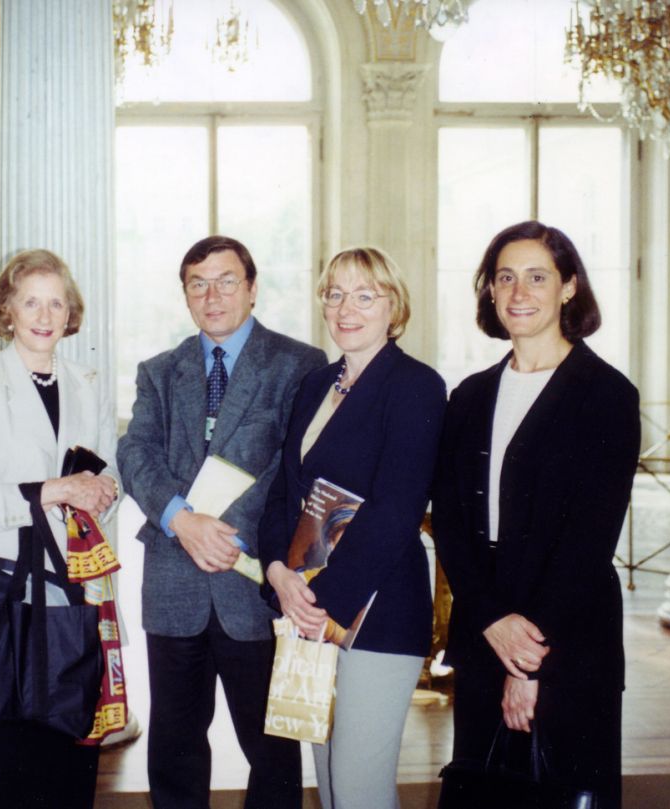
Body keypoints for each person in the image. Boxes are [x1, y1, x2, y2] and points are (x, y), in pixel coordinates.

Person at [432, 221, 639, 809]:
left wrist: (528, 664)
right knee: (483, 791)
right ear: (490, 293)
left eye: (537, 277)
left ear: (569, 288)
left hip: (569, 638)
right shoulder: (469, 396)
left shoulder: (606, 394)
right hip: (483, 628)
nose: (519, 292)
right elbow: (449, 518)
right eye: (505, 278)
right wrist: (492, 619)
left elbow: (589, 540)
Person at [117, 235, 326, 809]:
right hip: (174, 579)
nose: (213, 296)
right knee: (175, 750)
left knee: (273, 752)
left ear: (252, 288)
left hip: (255, 583)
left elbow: (301, 471)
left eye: (227, 280)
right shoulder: (160, 372)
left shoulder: (299, 366)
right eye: (198, 284)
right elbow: (136, 454)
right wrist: (180, 519)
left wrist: (231, 536)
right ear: (185, 295)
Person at [257, 247, 446, 809]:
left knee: (360, 786)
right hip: (309, 609)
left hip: (377, 611)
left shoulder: (416, 386)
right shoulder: (315, 385)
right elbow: (282, 495)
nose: (347, 308)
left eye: (365, 295)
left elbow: (396, 510)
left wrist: (319, 599)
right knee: (332, 784)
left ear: (394, 307)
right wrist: (277, 575)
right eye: (335, 294)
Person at [0, 249, 121, 809]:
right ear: (6, 310)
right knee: (16, 764)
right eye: (30, 302)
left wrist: (105, 491)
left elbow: (106, 474)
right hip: (7, 592)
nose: (44, 315)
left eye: (56, 302)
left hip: (77, 590)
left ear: (71, 313)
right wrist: (60, 490)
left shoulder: (88, 382)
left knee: (75, 760)